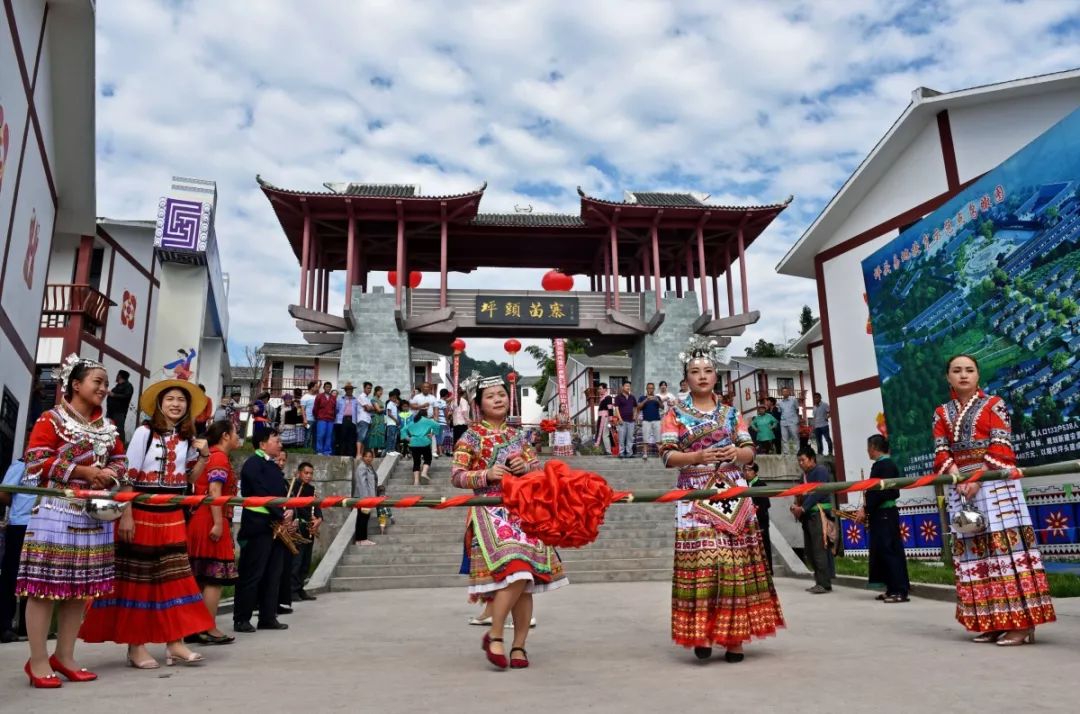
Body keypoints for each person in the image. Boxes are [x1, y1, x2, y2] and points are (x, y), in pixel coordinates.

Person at [659, 340, 783, 663]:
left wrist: (736, 453)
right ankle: (702, 632)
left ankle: (734, 638)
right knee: (704, 563)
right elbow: (667, 455)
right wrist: (698, 455)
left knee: (734, 564)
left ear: (717, 376)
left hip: (731, 489)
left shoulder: (731, 414)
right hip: (695, 492)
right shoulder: (675, 414)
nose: (702, 376)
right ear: (685, 378)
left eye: (708, 371)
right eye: (694, 371)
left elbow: (749, 450)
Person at [80, 378, 214, 668]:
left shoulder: (189, 438)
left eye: (181, 400)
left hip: (173, 514)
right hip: (141, 512)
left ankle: (175, 642)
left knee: (175, 579)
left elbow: (190, 479)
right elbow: (127, 475)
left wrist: (204, 456)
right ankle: (135, 645)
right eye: (170, 399)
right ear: (159, 404)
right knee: (137, 579)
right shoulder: (144, 432)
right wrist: (126, 513)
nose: (176, 404)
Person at [16, 355, 126, 687]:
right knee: (45, 588)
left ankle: (64, 655)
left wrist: (107, 475)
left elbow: (121, 462)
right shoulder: (50, 420)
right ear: (76, 384)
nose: (104, 389)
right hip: (56, 512)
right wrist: (82, 472)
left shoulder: (108, 429)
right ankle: (37, 660)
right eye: (98, 382)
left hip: (93, 514)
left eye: (106, 384)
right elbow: (35, 461)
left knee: (80, 590)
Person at [933, 354, 1054, 645]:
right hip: (961, 488)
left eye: (969, 370)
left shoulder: (994, 403)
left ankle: (1023, 624)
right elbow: (940, 448)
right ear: (948, 377)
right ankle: (992, 620)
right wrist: (957, 476)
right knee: (975, 555)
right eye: (957, 371)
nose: (963, 375)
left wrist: (979, 476)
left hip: (995, 483)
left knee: (1007, 554)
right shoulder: (941, 412)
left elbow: (1001, 442)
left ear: (978, 376)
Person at [452, 376, 567, 670]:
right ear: (478, 404)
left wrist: (526, 468)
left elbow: (538, 472)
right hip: (489, 510)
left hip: (523, 510)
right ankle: (495, 635)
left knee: (526, 580)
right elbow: (457, 476)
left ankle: (518, 646)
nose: (498, 399)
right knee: (517, 572)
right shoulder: (470, 437)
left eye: (501, 394)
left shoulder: (520, 437)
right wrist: (486, 476)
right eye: (490, 396)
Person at [185, 419, 242, 645]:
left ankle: (192, 627)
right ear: (226, 436)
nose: (238, 437)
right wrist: (219, 523)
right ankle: (207, 627)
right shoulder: (218, 457)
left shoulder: (210, 456)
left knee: (200, 576)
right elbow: (215, 490)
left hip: (200, 518)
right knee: (213, 577)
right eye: (236, 432)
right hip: (211, 518)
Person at [233, 428, 291, 633]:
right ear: (263, 444)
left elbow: (280, 495)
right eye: (276, 440)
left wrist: (287, 511)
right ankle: (242, 618)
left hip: (276, 526)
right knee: (252, 573)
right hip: (258, 526)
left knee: (273, 574)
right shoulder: (253, 464)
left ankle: (267, 616)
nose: (280, 444)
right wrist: (278, 512)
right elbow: (260, 493)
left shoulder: (272, 466)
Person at [856, 435, 909, 603]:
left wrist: (865, 508)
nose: (867, 451)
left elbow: (881, 492)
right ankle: (891, 587)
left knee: (890, 551)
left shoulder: (885, 465)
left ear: (873, 447)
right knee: (883, 551)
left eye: (868, 447)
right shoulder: (883, 465)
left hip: (885, 513)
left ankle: (899, 590)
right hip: (881, 514)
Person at [792, 447, 835, 594]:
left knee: (819, 549)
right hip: (807, 516)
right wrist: (796, 506)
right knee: (810, 551)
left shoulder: (821, 471)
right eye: (799, 461)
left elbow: (817, 493)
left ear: (812, 459)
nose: (801, 463)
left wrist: (803, 508)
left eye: (803, 460)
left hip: (819, 515)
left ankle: (824, 583)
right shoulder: (802, 476)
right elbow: (799, 494)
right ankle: (820, 581)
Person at [0, 457, 34, 643]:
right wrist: (20, 508)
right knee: (11, 575)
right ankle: (4, 625)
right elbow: (4, 493)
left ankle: (27, 627)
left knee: (34, 577)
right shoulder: (21, 464)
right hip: (20, 525)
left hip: (41, 525)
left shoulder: (53, 466)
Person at [287, 462, 322, 600]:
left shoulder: (312, 490)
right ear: (299, 473)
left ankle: (300, 588)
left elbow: (317, 507)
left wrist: (318, 520)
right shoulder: (292, 487)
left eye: (311, 473)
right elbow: (293, 507)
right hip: (297, 528)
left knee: (306, 561)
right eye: (306, 473)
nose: (308, 476)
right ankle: (292, 590)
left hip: (309, 529)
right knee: (297, 560)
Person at [746, 462, 772, 574]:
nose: (746, 472)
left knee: (764, 546)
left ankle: (768, 570)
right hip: (748, 521)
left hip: (760, 520)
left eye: (749, 470)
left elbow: (766, 504)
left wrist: (755, 511)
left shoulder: (761, 484)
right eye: (745, 470)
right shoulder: (744, 484)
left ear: (755, 472)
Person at [403, 407, 440, 485]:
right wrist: (433, 433)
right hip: (424, 442)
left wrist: (408, 438)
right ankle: (424, 473)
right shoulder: (428, 421)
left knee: (416, 462)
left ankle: (416, 481)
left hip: (414, 443)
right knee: (427, 458)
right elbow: (437, 426)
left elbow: (403, 430)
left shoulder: (413, 421)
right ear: (426, 415)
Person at [353, 449, 378, 546]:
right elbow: (362, 483)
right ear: (363, 457)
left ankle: (360, 539)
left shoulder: (369, 467)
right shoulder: (362, 467)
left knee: (363, 517)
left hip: (367, 497)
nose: (368, 458)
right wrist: (366, 500)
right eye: (366, 456)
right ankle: (362, 539)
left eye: (370, 456)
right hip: (363, 497)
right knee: (363, 517)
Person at [636, 382, 663, 460]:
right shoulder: (642, 397)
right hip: (646, 421)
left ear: (654, 389)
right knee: (645, 438)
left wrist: (657, 400)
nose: (650, 389)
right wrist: (646, 400)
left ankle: (660, 453)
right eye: (649, 388)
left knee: (658, 438)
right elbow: (638, 407)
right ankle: (645, 454)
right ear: (646, 389)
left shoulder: (657, 397)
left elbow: (662, 407)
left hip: (657, 420)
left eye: (652, 388)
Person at [106, 369, 134, 443]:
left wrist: (113, 394)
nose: (116, 376)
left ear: (120, 376)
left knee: (119, 429)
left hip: (119, 412)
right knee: (108, 428)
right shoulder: (117, 386)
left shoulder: (128, 386)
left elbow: (126, 396)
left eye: (118, 375)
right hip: (111, 411)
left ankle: (121, 448)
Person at [334, 382, 361, 457]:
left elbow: (358, 411)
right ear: (345, 390)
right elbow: (336, 410)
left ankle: (350, 455)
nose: (350, 391)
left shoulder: (356, 400)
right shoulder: (340, 400)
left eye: (351, 389)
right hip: (343, 419)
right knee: (343, 437)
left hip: (353, 420)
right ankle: (342, 454)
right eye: (348, 389)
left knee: (352, 438)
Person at [613, 381, 637, 459]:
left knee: (630, 438)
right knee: (621, 438)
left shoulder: (632, 397)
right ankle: (621, 453)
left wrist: (634, 415)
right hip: (622, 421)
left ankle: (629, 453)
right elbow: (616, 408)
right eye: (626, 386)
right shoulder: (618, 397)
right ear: (622, 387)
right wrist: (619, 419)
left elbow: (635, 407)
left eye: (629, 386)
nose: (628, 387)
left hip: (631, 421)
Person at [313, 382, 336, 455]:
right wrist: (317, 416)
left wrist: (333, 417)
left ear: (330, 388)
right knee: (320, 435)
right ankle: (319, 451)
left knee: (328, 436)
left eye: (329, 387)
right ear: (324, 388)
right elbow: (315, 408)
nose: (328, 388)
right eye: (326, 387)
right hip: (321, 419)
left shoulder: (333, 398)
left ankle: (327, 451)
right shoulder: (319, 396)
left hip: (330, 419)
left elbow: (335, 409)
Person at [777, 388, 800, 455]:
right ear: (781, 393)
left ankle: (797, 452)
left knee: (795, 437)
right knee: (784, 438)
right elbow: (780, 412)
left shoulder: (794, 400)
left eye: (786, 391)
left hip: (793, 421)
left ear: (789, 392)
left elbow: (797, 410)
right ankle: (786, 453)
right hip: (783, 422)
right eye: (783, 391)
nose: (785, 393)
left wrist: (797, 419)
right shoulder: (779, 402)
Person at [593, 383, 614, 455]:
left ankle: (608, 451)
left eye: (600, 388)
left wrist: (610, 419)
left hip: (605, 418)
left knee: (605, 434)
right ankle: (607, 450)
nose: (599, 390)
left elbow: (610, 409)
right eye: (598, 389)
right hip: (601, 417)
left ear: (605, 389)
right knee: (602, 434)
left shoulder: (608, 397)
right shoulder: (602, 398)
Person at [367, 385, 387, 455]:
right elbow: (378, 410)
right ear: (376, 391)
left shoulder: (380, 400)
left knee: (380, 435)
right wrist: (385, 410)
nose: (381, 392)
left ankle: (376, 453)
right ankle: (373, 454)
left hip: (381, 419)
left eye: (382, 391)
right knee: (374, 434)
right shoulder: (374, 399)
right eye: (380, 391)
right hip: (376, 419)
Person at [300, 381, 318, 449]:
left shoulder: (317, 396)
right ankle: (306, 449)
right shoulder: (305, 397)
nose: (317, 388)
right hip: (308, 420)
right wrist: (305, 419)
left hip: (316, 419)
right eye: (316, 387)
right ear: (311, 388)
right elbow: (302, 409)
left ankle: (313, 450)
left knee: (315, 435)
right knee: (308, 435)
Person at [385, 389, 401, 457]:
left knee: (394, 437)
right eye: (393, 397)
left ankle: (392, 450)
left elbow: (398, 404)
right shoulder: (389, 404)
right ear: (390, 398)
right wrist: (395, 420)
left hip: (394, 423)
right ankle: (388, 451)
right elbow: (389, 414)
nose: (395, 399)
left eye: (395, 397)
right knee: (390, 437)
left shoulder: (394, 404)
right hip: (391, 423)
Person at [436, 388, 453, 456]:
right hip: (443, 421)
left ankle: (439, 451)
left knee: (438, 436)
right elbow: (445, 412)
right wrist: (447, 420)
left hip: (437, 421)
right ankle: (440, 452)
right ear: (446, 395)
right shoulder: (443, 403)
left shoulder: (437, 402)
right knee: (442, 436)